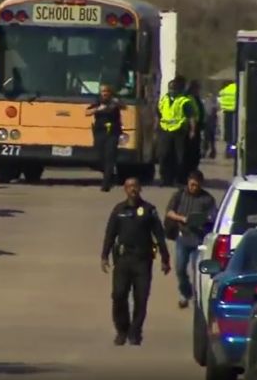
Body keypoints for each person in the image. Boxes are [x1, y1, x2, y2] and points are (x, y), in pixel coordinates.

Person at [101, 177, 171, 346]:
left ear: (140, 189)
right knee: (118, 295)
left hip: (143, 260)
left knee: (141, 298)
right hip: (123, 260)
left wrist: (165, 258)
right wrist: (104, 256)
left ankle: (135, 332)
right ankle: (122, 330)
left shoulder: (149, 210)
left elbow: (159, 235)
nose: (132, 189)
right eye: (129, 186)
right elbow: (110, 234)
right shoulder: (119, 210)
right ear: (125, 189)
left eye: (135, 186)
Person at [164, 169, 217, 308]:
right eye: (192, 184)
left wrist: (205, 220)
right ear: (188, 182)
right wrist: (182, 218)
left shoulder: (207, 199)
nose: (194, 188)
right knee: (180, 268)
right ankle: (185, 292)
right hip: (183, 238)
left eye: (197, 185)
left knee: (197, 270)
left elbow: (214, 217)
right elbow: (169, 212)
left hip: (199, 240)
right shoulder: (179, 195)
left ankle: (197, 296)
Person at [157, 77, 196, 186]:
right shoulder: (164, 99)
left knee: (180, 157)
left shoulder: (184, 101)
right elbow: (159, 114)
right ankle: (164, 179)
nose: (172, 90)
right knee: (164, 155)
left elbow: (191, 117)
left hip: (180, 131)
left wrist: (192, 130)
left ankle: (178, 179)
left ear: (179, 89)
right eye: (170, 88)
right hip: (165, 130)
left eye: (174, 88)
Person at [86, 84, 125, 192]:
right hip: (100, 133)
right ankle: (110, 174)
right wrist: (98, 109)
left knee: (110, 158)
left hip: (112, 133)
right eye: (103, 91)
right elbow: (87, 112)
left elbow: (124, 107)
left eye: (107, 91)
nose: (105, 93)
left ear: (110, 92)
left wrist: (117, 103)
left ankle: (106, 184)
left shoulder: (115, 102)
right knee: (98, 158)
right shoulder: (98, 102)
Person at [186, 80, 206, 171]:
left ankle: (193, 168)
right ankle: (191, 169)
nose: (199, 90)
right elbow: (193, 113)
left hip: (197, 126)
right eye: (197, 88)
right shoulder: (189, 98)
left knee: (196, 150)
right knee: (192, 150)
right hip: (191, 126)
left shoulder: (195, 98)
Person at [217, 80, 236, 158]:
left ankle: (228, 150)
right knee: (234, 135)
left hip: (226, 112)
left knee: (228, 133)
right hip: (235, 113)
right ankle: (232, 151)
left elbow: (220, 102)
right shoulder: (236, 88)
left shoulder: (223, 91)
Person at [203, 93, 218, 159]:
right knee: (211, 138)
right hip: (210, 122)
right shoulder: (214, 103)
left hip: (208, 122)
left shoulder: (206, 103)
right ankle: (211, 152)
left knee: (207, 138)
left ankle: (206, 151)